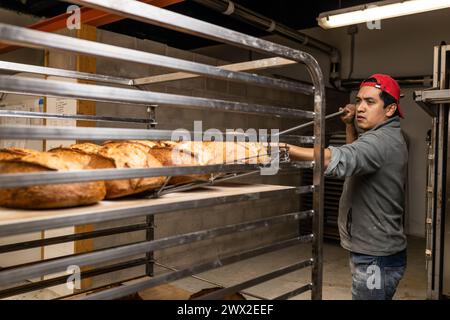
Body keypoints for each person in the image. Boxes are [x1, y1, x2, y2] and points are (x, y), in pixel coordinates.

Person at [288, 74, 408, 300]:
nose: (360, 107)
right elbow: (358, 162)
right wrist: (350, 127)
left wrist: (284, 150)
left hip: (375, 258)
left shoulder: (380, 142)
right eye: (359, 100)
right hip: (374, 252)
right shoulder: (382, 136)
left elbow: (343, 158)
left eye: (370, 102)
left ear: (390, 109)